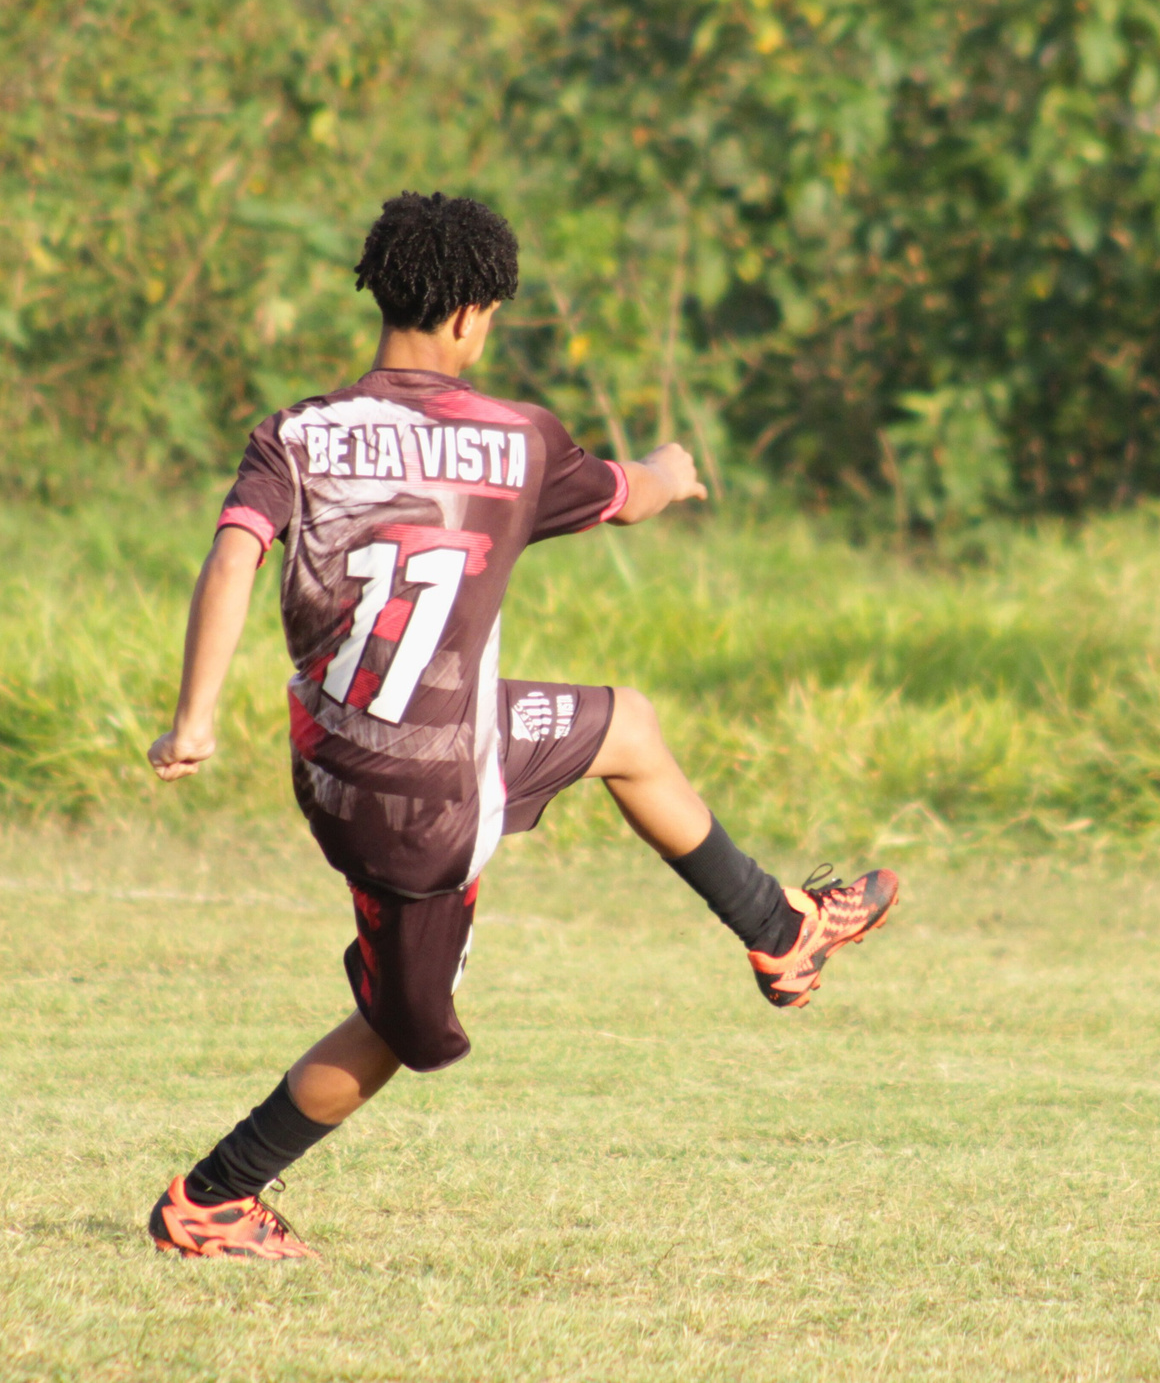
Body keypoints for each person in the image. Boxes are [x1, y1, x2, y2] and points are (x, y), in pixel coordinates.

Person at [139, 191, 900, 1260]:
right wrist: (674, 478)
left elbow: (232, 554)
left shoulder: (297, 435)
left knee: (625, 728)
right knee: (405, 1031)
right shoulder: (516, 441)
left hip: (343, 763)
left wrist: (195, 719)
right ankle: (211, 1201)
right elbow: (627, 495)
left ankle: (781, 930)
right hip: (431, 800)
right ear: (471, 318)